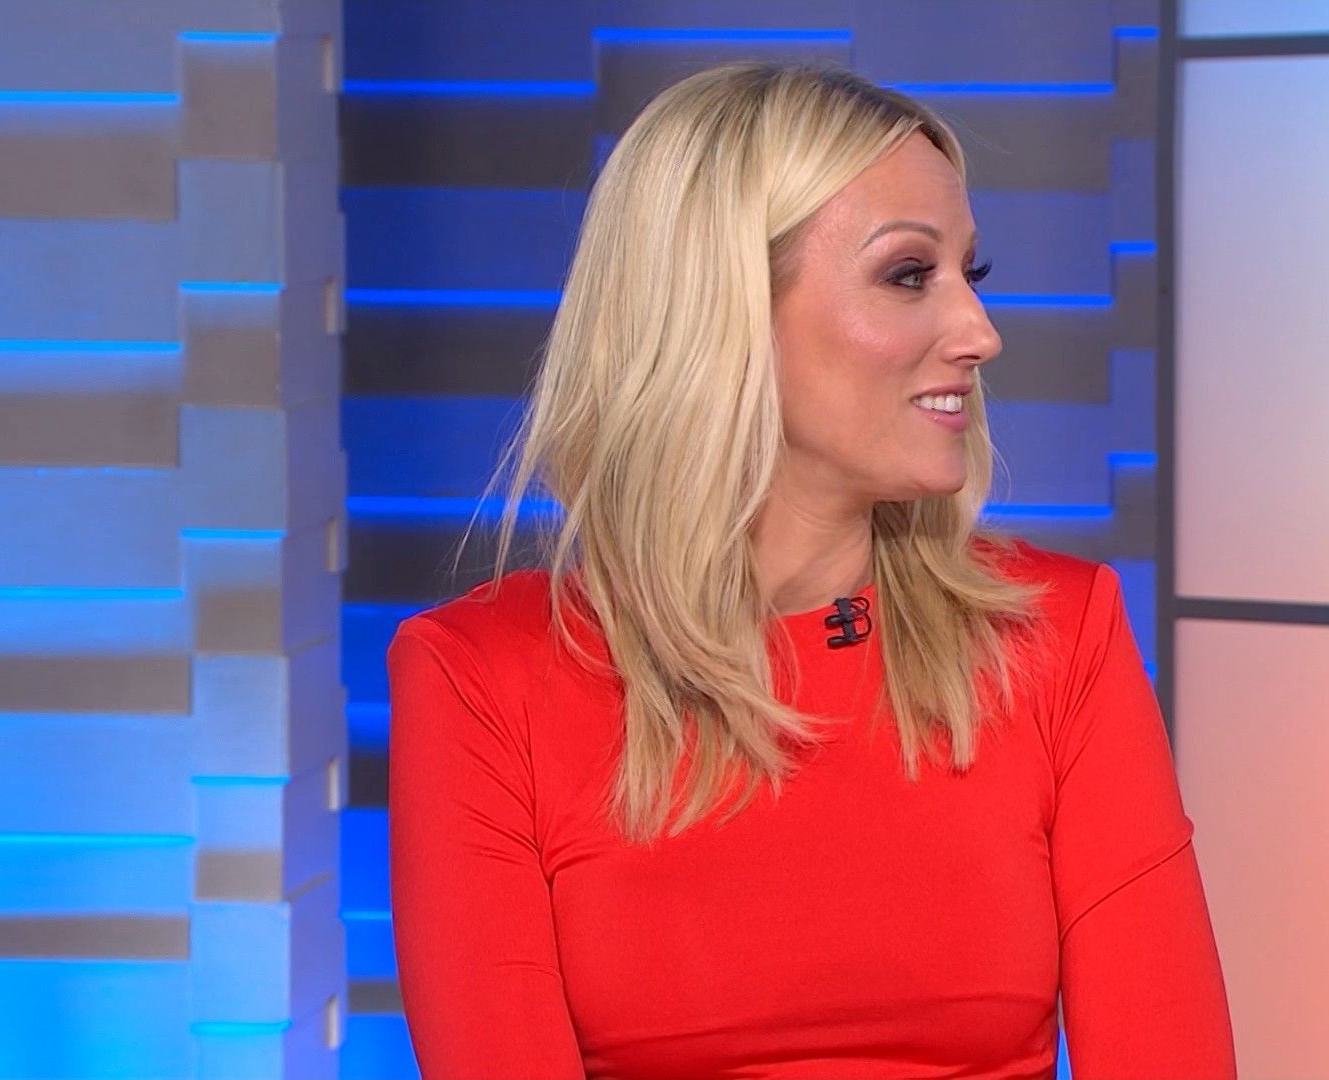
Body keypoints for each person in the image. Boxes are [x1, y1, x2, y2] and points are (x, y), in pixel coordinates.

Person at [385, 59, 1235, 1079]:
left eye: (971, 275)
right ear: (725, 311)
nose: (980, 333)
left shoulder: (1060, 637)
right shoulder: (480, 678)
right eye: (910, 275)